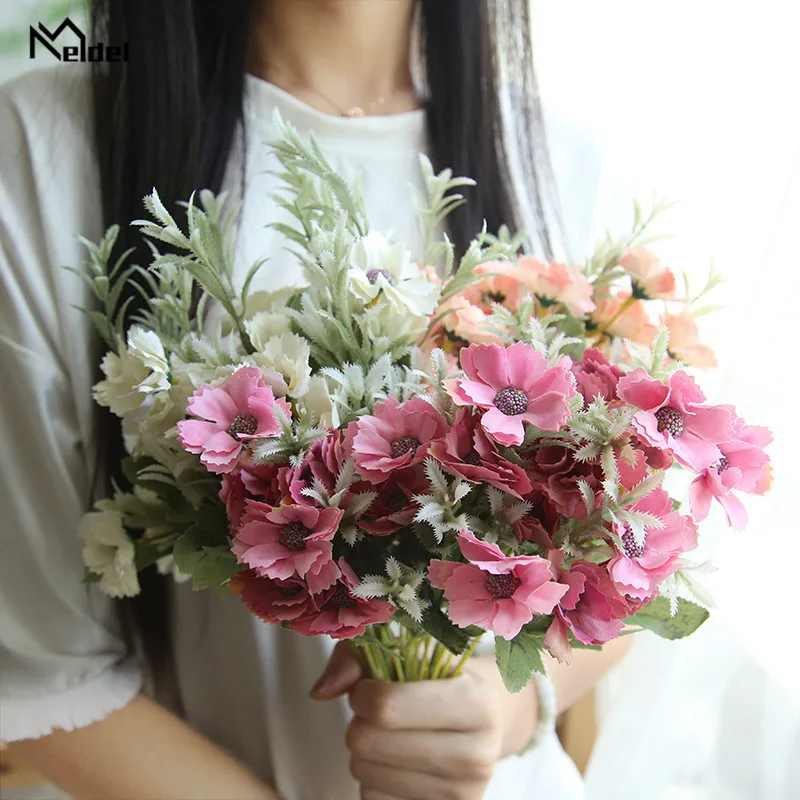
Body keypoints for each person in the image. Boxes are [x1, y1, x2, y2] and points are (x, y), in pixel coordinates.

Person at [0, 2, 632, 798]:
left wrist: (503, 713)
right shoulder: (44, 145)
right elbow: (42, 665)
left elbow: (627, 569)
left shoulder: (562, 160)